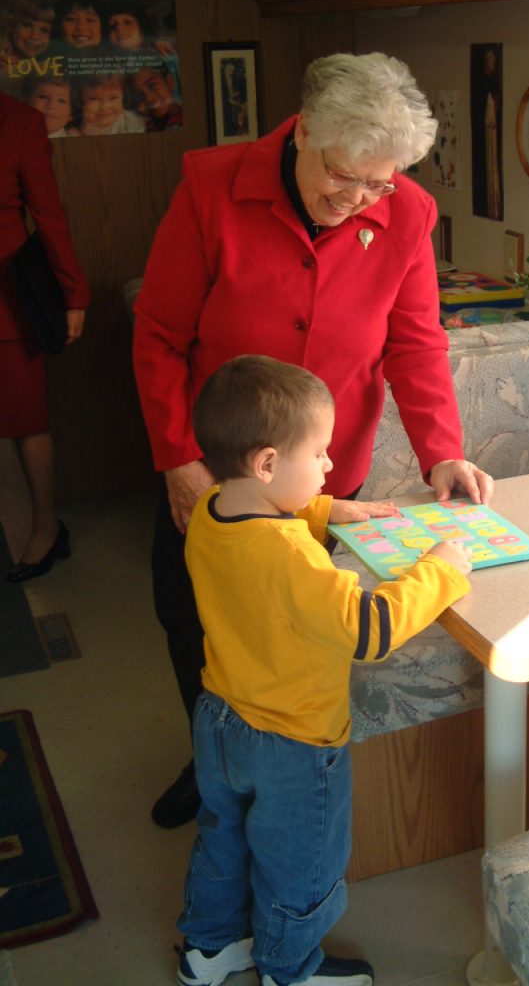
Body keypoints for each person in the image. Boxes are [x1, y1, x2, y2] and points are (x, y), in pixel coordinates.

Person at [132, 51, 494, 829]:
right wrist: (176, 460)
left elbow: (416, 343)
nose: (359, 199)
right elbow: (158, 335)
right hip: (213, 468)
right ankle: (213, 762)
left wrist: (443, 451)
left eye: (379, 182)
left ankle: (283, 774)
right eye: (343, 175)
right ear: (302, 136)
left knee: (299, 633)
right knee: (192, 619)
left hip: (324, 476)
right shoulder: (212, 186)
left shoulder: (409, 214)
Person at [175, 354, 472, 986]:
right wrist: (440, 568)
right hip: (294, 740)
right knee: (301, 864)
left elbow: (254, 521)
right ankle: (291, 968)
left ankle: (207, 950)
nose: (330, 466)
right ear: (267, 464)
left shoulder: (208, 511)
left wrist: (323, 509)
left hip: (219, 719)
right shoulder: (291, 559)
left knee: (222, 840)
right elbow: (369, 630)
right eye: (319, 455)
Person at [0, 92, 89, 581]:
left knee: (28, 421)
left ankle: (44, 529)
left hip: (8, 304)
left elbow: (48, 215)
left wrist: (74, 295)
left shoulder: (19, 123)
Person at [67, 71, 145, 136]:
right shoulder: (75, 131)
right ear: (80, 99)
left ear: (123, 96)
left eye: (113, 98)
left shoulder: (133, 122)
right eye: (94, 99)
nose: (104, 106)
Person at [129, 63, 182, 132]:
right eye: (138, 96)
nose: (148, 98)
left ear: (170, 81)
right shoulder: (140, 125)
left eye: (152, 85)